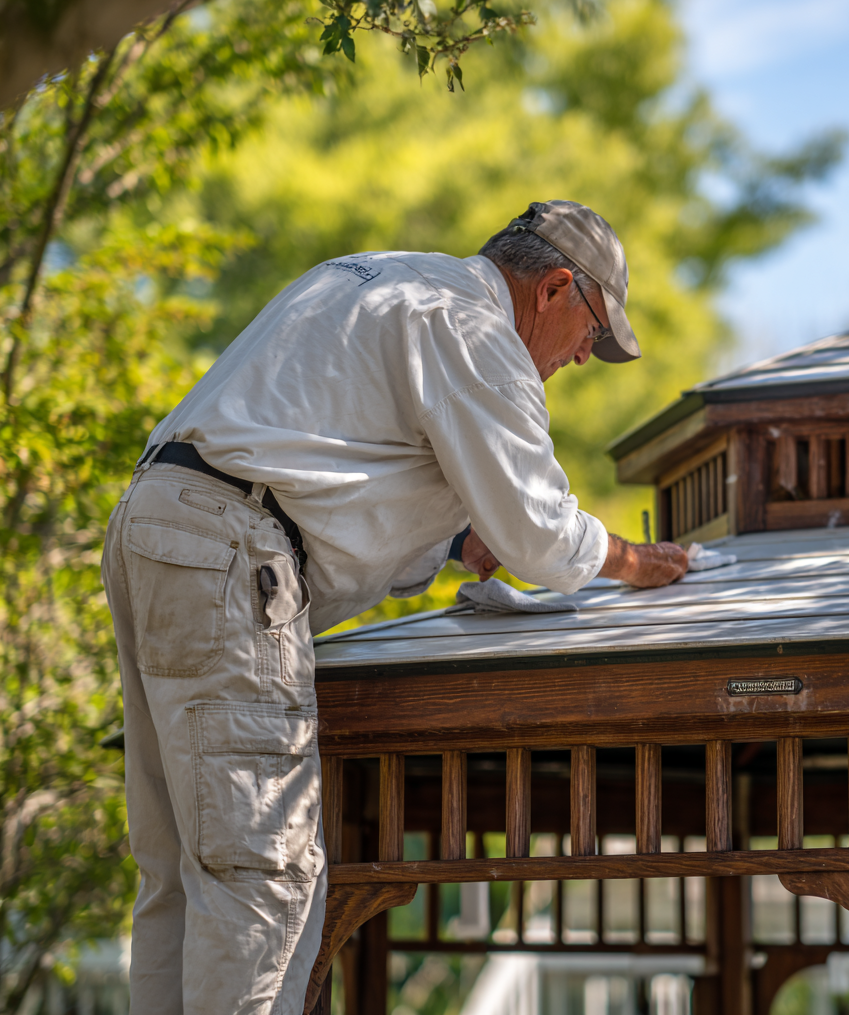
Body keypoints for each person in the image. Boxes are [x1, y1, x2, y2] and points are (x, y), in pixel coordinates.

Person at [101, 200, 689, 1015]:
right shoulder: (477, 331)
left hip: (158, 525)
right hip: (234, 549)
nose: (583, 358)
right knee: (265, 874)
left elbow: (332, 469)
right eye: (592, 334)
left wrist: (454, 546)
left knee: (183, 873)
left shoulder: (378, 276)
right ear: (555, 288)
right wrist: (633, 561)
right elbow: (542, 535)